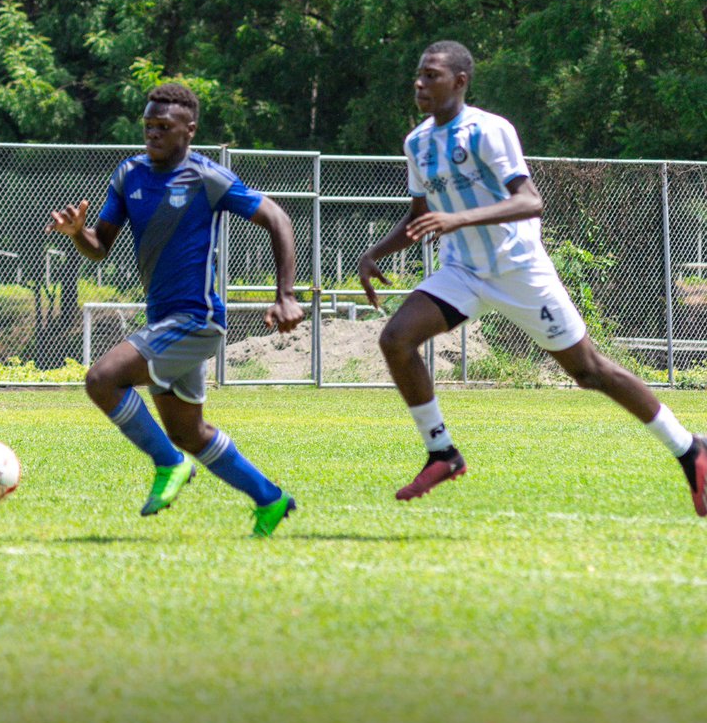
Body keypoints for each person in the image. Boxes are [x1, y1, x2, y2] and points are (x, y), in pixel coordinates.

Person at [358, 40, 707, 514]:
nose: (420, 83)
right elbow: (420, 216)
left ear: (460, 82)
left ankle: (690, 448)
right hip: (462, 271)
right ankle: (442, 451)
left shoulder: (489, 131)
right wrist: (375, 251)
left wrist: (457, 220)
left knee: (589, 371)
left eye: (432, 75)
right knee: (396, 339)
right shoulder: (417, 142)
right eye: (418, 74)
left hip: (519, 269)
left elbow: (530, 201)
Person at [47, 82, 305, 537]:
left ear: (190, 130)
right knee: (189, 431)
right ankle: (271, 499)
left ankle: (168, 464)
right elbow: (100, 248)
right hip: (163, 321)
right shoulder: (129, 175)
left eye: (163, 127)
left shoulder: (207, 176)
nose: (153, 134)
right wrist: (77, 234)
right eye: (147, 126)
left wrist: (285, 294)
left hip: (196, 320)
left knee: (102, 379)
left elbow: (278, 219)